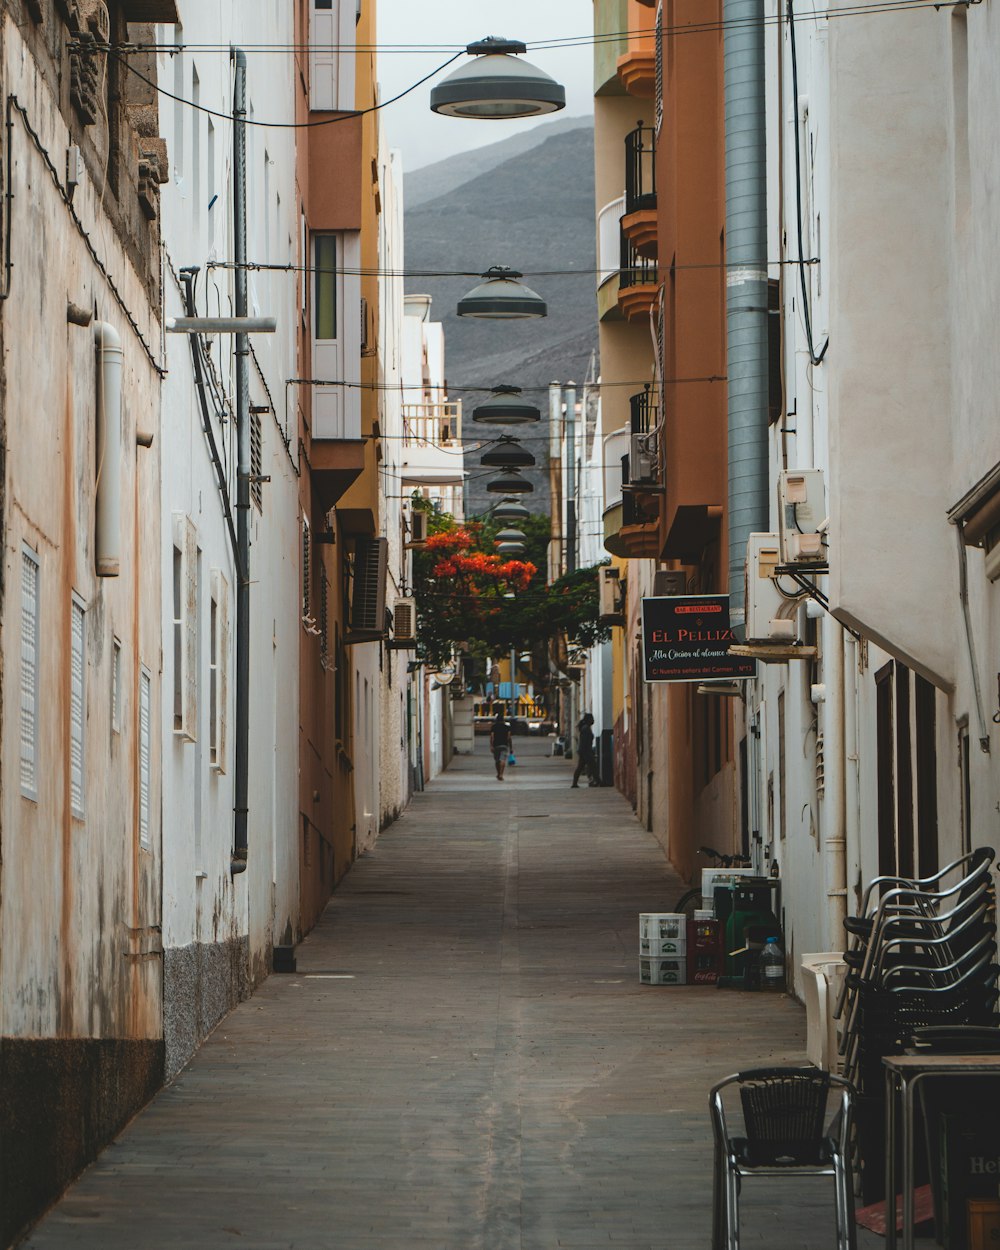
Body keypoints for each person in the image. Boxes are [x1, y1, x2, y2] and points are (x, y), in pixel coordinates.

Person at [571, 713, 598, 788]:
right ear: (588, 720)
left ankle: (574, 783)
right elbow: (584, 742)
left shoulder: (585, 728)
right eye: (592, 719)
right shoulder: (586, 729)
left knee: (582, 767)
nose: (593, 720)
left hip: (584, 751)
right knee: (592, 766)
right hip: (586, 751)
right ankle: (598, 781)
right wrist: (587, 752)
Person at [489, 710, 512, 781]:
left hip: (496, 745)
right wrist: (511, 747)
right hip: (504, 745)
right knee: (502, 760)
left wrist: (491, 746)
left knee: (497, 760)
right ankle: (501, 774)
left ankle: (498, 773)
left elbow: (492, 737)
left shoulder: (494, 727)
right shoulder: (507, 727)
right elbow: (509, 737)